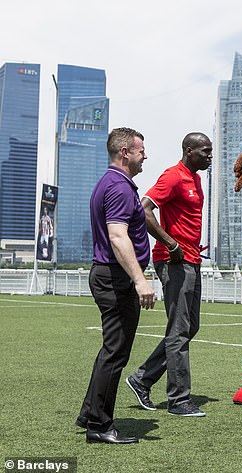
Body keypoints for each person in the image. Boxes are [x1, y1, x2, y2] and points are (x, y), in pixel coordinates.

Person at [77, 127, 156, 444]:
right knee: (116, 354)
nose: (145, 155)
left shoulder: (110, 184)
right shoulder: (120, 188)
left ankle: (89, 414)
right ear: (125, 152)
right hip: (116, 278)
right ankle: (99, 426)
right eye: (141, 150)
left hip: (108, 275)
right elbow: (118, 235)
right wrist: (140, 280)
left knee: (111, 351)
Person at [126, 132, 212, 417]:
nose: (210, 156)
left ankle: (141, 379)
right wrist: (171, 243)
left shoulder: (196, 179)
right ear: (189, 151)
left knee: (189, 328)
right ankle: (179, 400)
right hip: (174, 261)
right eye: (205, 151)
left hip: (192, 260)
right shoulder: (173, 176)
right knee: (179, 330)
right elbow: (144, 209)